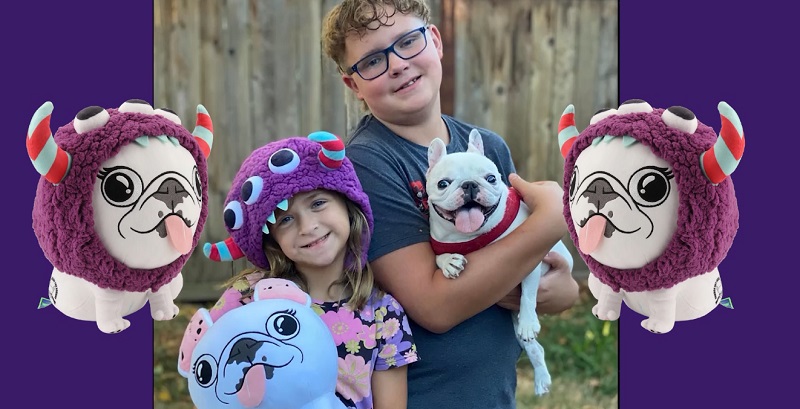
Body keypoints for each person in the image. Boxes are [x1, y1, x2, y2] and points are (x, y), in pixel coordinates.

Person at [321, 1, 580, 407]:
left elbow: (561, 291)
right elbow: (435, 306)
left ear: (435, 41)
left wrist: (550, 284)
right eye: (372, 61)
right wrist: (550, 219)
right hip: (425, 395)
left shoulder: (488, 149)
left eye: (408, 41)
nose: (397, 65)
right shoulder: (368, 163)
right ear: (353, 84)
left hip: (493, 393)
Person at [202, 135, 417, 409]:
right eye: (286, 219)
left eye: (317, 204)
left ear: (348, 205)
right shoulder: (246, 298)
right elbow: (207, 379)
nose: (307, 227)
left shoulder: (383, 315)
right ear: (272, 240)